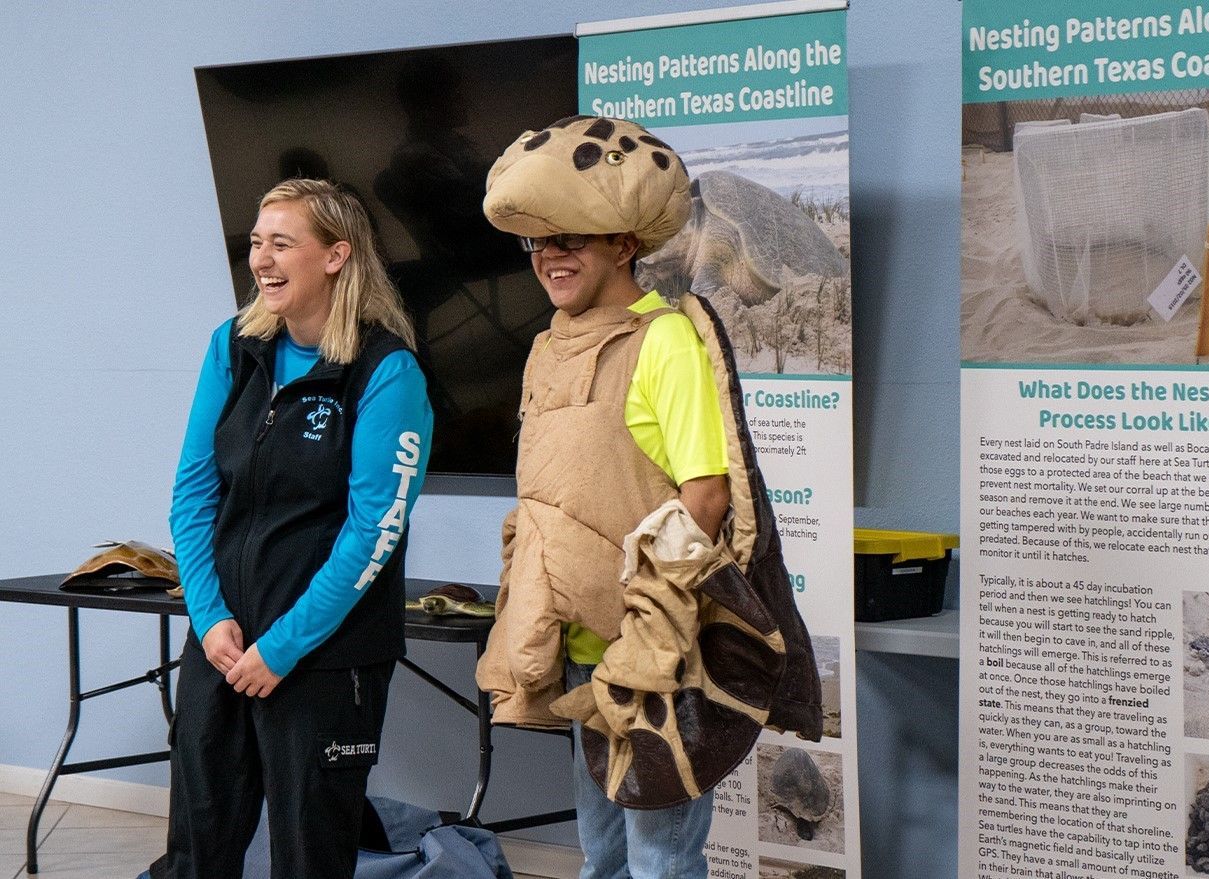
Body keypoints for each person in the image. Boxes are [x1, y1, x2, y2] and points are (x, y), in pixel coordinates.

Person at [476, 117, 821, 879]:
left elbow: (704, 495)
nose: (549, 258)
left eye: (570, 238)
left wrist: (651, 626)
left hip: (655, 659)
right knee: (600, 857)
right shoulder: (547, 346)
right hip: (579, 658)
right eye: (538, 243)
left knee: (659, 862)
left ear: (623, 243)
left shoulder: (664, 340)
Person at [149, 178, 433, 879]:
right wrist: (209, 616)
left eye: (282, 243)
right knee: (197, 842)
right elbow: (191, 492)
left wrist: (281, 648)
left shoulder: (385, 370)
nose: (261, 259)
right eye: (255, 242)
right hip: (222, 642)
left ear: (336, 255)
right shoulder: (234, 345)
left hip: (323, 656)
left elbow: (374, 532)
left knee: (310, 853)